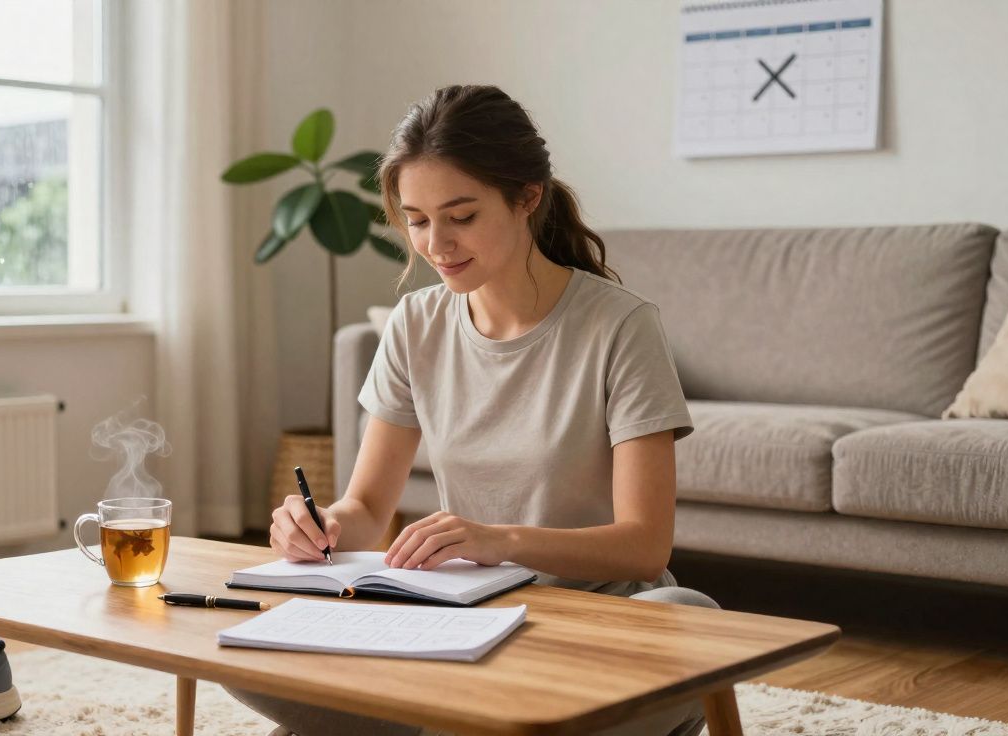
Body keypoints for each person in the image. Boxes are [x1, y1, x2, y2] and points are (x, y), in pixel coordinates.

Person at [229, 84, 718, 736]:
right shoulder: (414, 324)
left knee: (694, 619)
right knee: (246, 651)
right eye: (417, 220)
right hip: (464, 619)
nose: (437, 244)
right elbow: (366, 509)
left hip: (596, 626)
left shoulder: (621, 327)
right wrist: (317, 527)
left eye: (461, 216)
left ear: (527, 197)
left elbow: (644, 546)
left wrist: (497, 540)